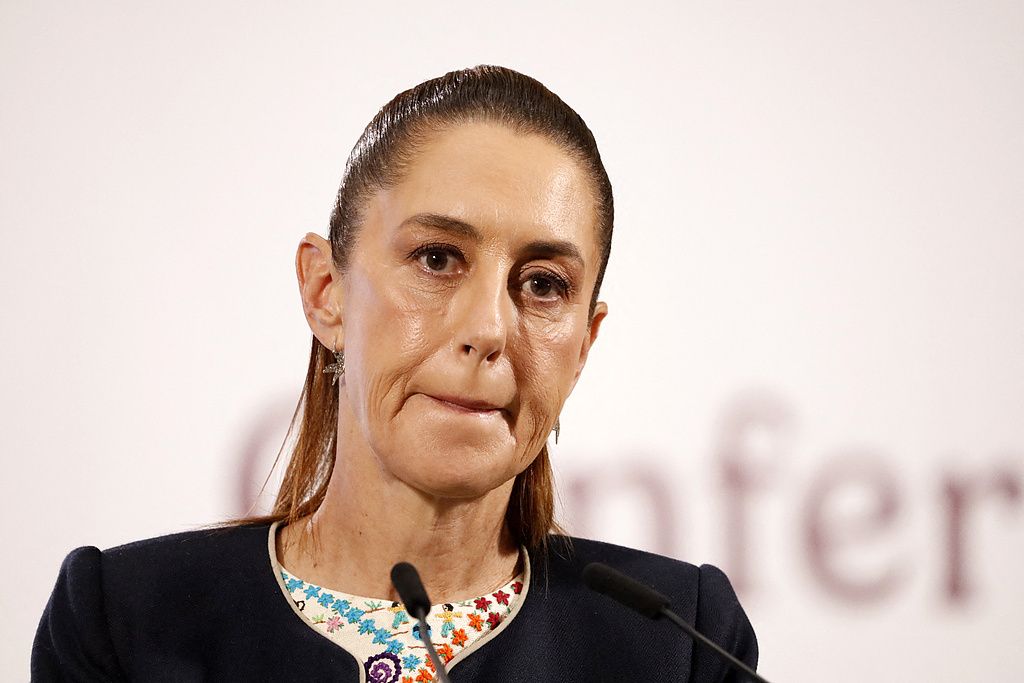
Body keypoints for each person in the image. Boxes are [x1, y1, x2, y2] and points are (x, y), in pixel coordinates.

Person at [32, 65, 759, 682]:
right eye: (437, 258)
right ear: (326, 291)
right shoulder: (122, 622)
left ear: (584, 344)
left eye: (543, 284)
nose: (487, 329)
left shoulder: (681, 644)